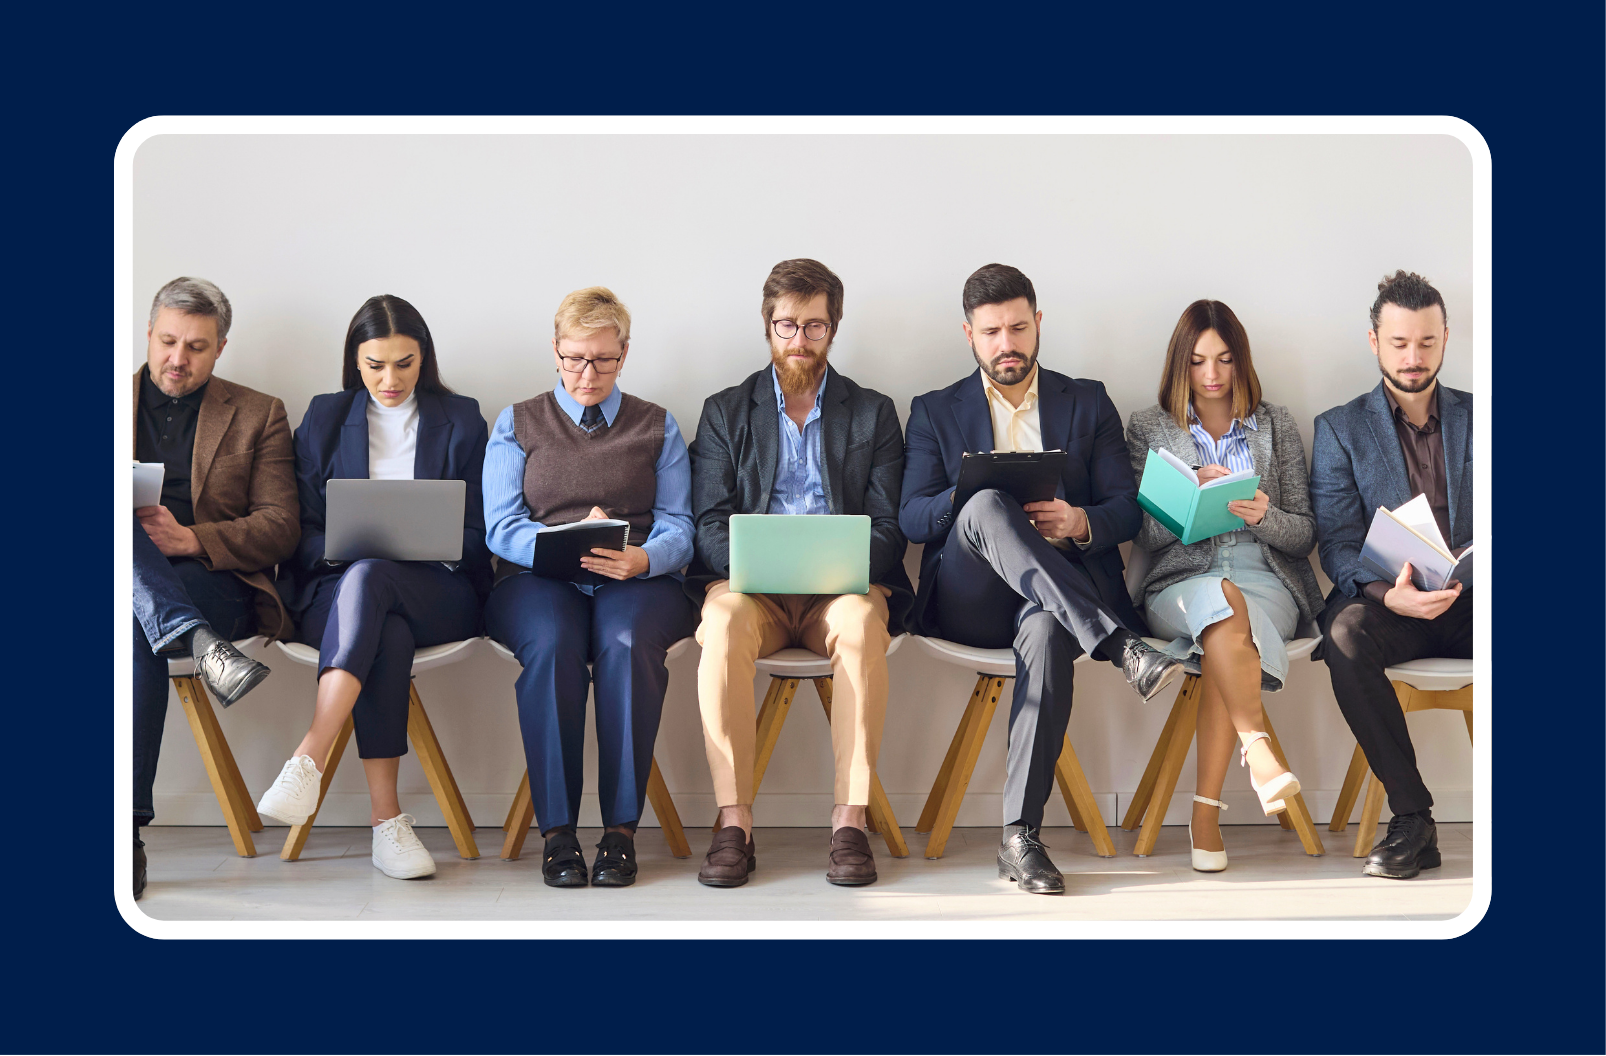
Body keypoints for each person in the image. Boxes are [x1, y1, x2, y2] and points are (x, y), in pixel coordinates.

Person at [899, 263, 1181, 896]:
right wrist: (973, 495)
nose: (1008, 344)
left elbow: (1128, 508)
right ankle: (1116, 644)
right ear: (969, 334)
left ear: (1038, 323)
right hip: (969, 597)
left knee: (1050, 629)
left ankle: (1020, 837)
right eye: (992, 331)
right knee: (986, 504)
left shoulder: (1087, 400)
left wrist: (1079, 521)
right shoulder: (934, 411)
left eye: (1019, 328)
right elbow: (912, 518)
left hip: (1054, 598)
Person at [687, 258, 913, 888]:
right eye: (786, 326)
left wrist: (839, 569)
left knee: (864, 625)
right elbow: (707, 523)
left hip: (839, 593)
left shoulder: (873, 413)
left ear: (833, 329)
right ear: (767, 327)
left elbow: (891, 529)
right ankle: (734, 821)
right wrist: (754, 568)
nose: (799, 341)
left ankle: (849, 820)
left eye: (814, 327)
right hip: (751, 592)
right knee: (723, 621)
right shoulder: (725, 412)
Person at [259, 295, 491, 880]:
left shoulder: (461, 419)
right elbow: (300, 533)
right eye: (376, 365)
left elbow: (479, 534)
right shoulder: (325, 416)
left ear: (424, 359)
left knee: (376, 580)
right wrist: (349, 544)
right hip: (335, 596)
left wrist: (418, 543)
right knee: (380, 620)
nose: (390, 379)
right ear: (355, 363)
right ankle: (387, 824)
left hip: (439, 592)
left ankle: (309, 755)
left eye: (405, 364)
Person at [482, 287, 697, 888]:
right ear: (555, 351)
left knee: (627, 646)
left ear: (624, 354)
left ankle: (620, 834)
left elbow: (681, 524)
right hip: (537, 580)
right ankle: (557, 834)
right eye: (575, 358)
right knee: (552, 649)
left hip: (633, 580)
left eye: (603, 359)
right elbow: (501, 526)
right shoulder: (517, 422)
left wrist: (643, 558)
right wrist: (561, 544)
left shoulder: (658, 425)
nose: (588, 373)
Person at [1125, 300, 1324, 872]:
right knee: (1220, 610)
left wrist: (1264, 515)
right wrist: (1188, 502)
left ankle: (1208, 816)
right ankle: (1255, 753)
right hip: (1180, 584)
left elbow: (1304, 535)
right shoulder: (1149, 426)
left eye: (1224, 360)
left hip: (1267, 581)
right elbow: (1143, 533)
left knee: (1225, 632)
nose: (1211, 375)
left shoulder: (1277, 424)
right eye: (1197, 362)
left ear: (1241, 363)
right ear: (1178, 366)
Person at [131, 277, 299, 900]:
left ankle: (125, 834)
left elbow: (282, 526)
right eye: (168, 341)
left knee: (132, 626)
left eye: (197, 347)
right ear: (148, 335)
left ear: (221, 347)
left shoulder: (259, 412)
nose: (179, 359)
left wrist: (190, 540)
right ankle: (195, 641)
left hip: (213, 582)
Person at [1311, 271, 1472, 880]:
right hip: (1387, 606)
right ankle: (1413, 818)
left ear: (1446, 339)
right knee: (1343, 634)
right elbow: (1338, 543)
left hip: (1472, 601)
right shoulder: (1339, 428)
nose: (1413, 357)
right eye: (1400, 342)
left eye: (1426, 343)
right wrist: (1389, 594)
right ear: (1374, 341)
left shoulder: (1483, 417)